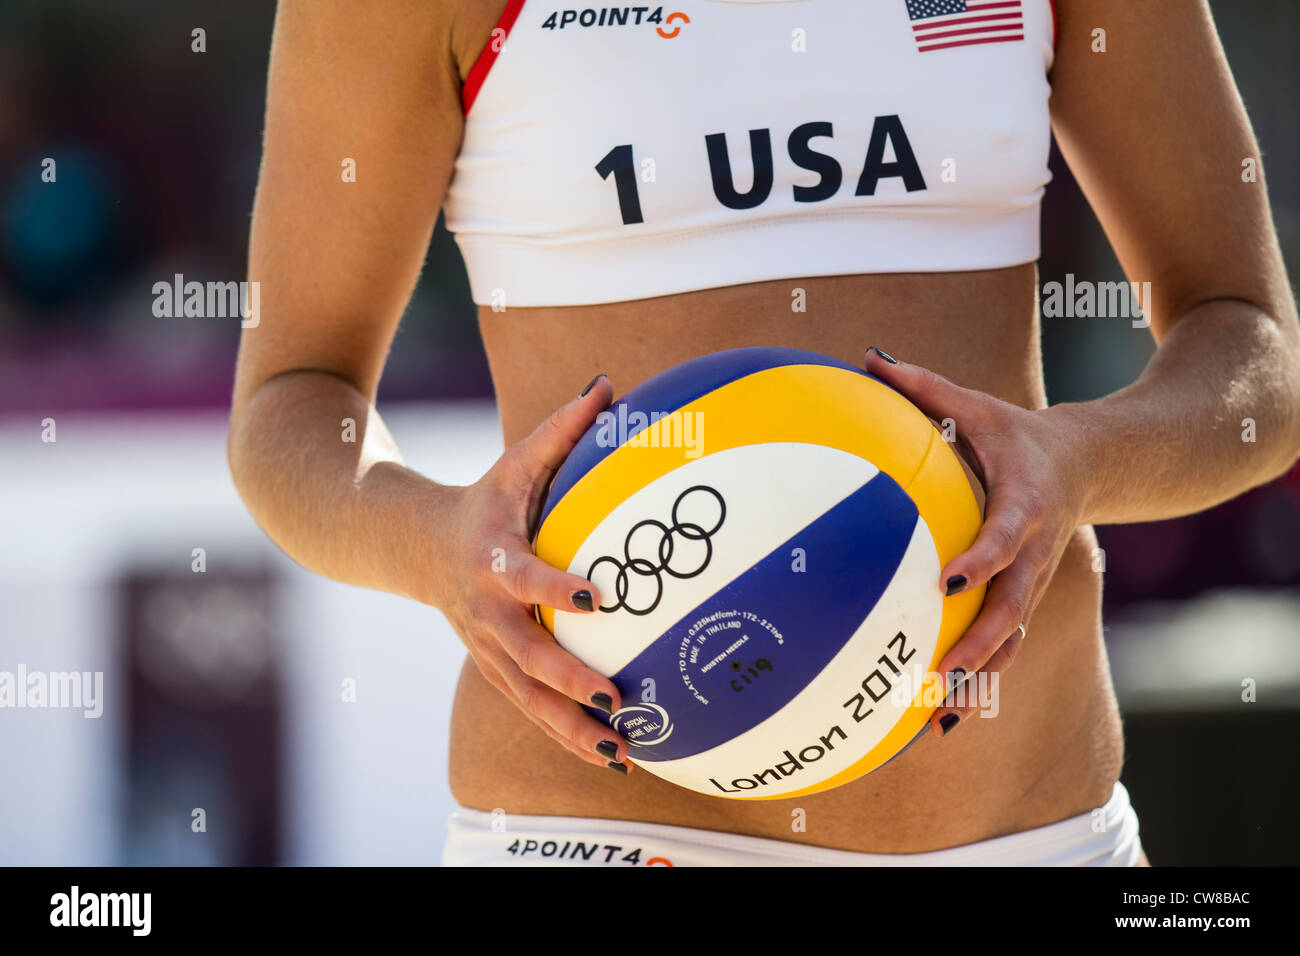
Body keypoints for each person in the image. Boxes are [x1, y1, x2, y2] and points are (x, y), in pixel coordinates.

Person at [227, 0, 1300, 865]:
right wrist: (434, 539)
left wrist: (1079, 458)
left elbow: (1254, 351)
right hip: (602, 825)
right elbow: (290, 399)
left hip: (1031, 826)